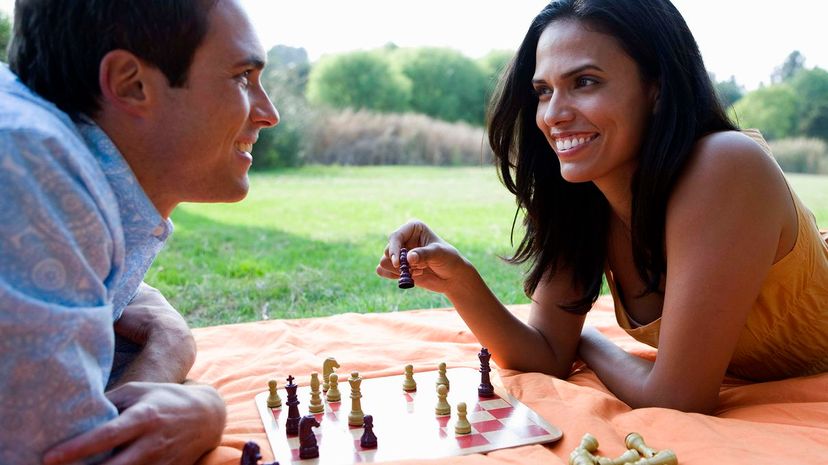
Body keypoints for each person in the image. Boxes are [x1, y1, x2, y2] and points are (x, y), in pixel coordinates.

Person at [377, 0, 828, 414]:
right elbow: (548, 353)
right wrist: (459, 280)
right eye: (543, 90)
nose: (553, 114)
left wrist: (588, 340)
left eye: (584, 82)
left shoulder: (725, 166)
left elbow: (678, 397)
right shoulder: (585, 197)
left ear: (657, 86)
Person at [0, 0, 278, 463]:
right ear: (131, 85)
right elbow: (70, 455)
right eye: (242, 78)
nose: (269, 113)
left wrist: (170, 337)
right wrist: (206, 410)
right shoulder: (29, 165)